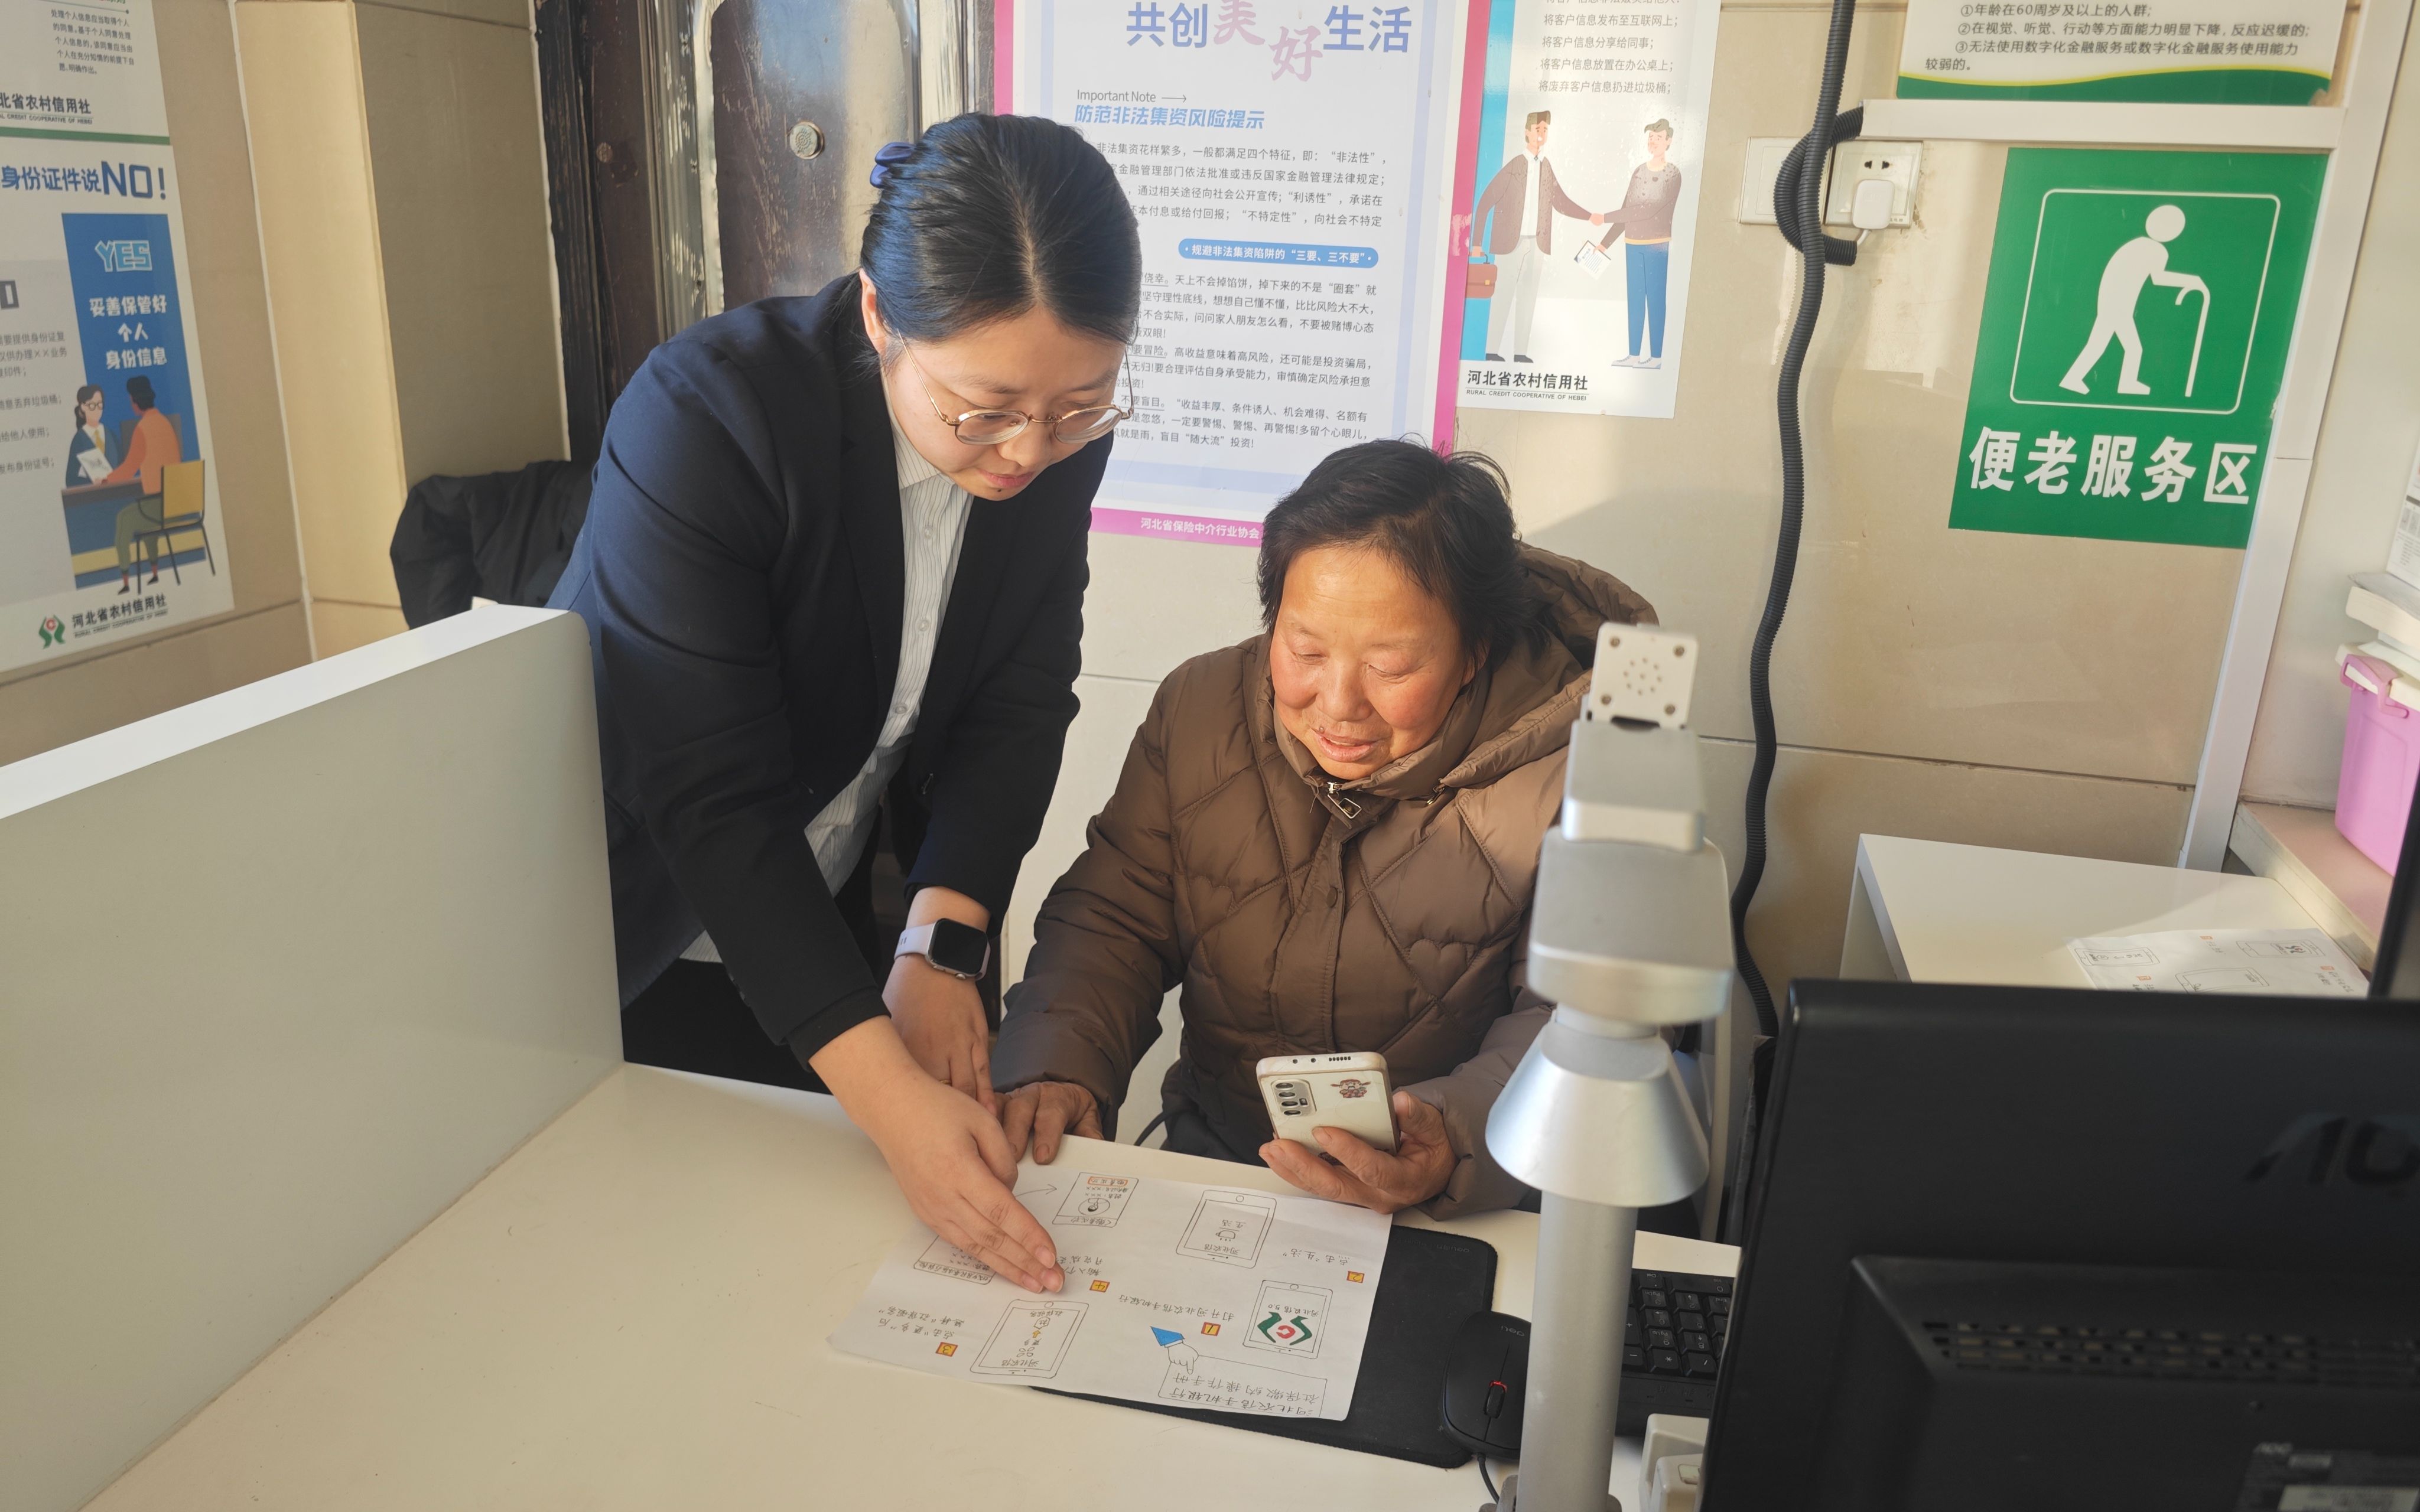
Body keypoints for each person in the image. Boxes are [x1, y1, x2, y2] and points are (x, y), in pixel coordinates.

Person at [548, 114, 1140, 1291]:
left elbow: (1019, 700)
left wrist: (942, 944)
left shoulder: (1048, 429)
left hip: (816, 924)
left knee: (805, 1269)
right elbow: (711, 798)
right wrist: (890, 1099)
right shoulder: (710, 416)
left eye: (1080, 405)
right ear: (878, 316)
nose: (1031, 451)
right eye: (984, 408)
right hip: (623, 927)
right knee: (628, 1268)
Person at [989, 441, 1655, 1217]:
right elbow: (1116, 918)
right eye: (1304, 649)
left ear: (1474, 652)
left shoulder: (1589, 769)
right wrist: (1057, 1065)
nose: (1338, 702)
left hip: (1468, 1202)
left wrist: (1450, 1136)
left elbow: (1577, 1019)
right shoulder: (1201, 708)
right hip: (1229, 1163)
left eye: (1391, 667)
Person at [1470, 111, 1596, 365]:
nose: (1542, 134)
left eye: (1545, 130)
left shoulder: (1546, 167)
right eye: (1538, 129)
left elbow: (1561, 202)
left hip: (1537, 244)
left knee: (1528, 297)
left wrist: (1590, 216)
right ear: (1527, 132)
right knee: (1503, 294)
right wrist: (1476, 244)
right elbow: (1485, 202)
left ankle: (1520, 353)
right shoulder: (1515, 165)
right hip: (1511, 244)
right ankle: (1492, 350)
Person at [2060, 203, 2206, 397]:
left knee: (2108, 346)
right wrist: (2192, 281)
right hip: (2119, 307)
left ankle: (2083, 379)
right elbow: (2158, 278)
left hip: (2110, 303)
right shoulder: (2157, 250)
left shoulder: (2135, 244)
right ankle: (2115, 382)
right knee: (2126, 347)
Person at [1592, 119, 1684, 370]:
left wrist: (1605, 217)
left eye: (1659, 137)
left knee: (1655, 299)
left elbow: (1648, 209)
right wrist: (1604, 244)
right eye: (1651, 137)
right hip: (1632, 243)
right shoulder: (1639, 171)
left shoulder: (1673, 174)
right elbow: (1627, 209)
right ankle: (1633, 355)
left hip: (1657, 245)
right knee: (1635, 299)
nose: (1653, 141)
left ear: (1669, 141)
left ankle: (1656, 357)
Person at [103, 374, 184, 593]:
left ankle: (126, 582)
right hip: (177, 504)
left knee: (124, 519)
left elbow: (130, 468)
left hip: (159, 507)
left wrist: (107, 479)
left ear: (135, 400)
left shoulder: (143, 428)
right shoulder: (165, 423)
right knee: (146, 517)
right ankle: (155, 573)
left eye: (130, 399)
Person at [64, 384, 116, 486]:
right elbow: (70, 479)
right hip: (94, 494)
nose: (97, 410)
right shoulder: (79, 439)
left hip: (117, 491)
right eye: (92, 405)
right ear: (83, 407)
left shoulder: (110, 434)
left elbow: (123, 464)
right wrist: (92, 483)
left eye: (100, 404)